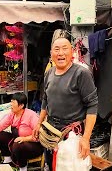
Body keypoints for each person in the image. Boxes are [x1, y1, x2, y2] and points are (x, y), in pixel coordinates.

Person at [32, 37, 98, 170]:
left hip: (72, 135)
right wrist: (38, 123)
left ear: (72, 51)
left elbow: (92, 105)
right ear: (51, 54)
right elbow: (46, 99)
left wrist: (86, 138)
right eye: (56, 49)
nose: (60, 53)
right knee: (51, 166)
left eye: (64, 48)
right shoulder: (49, 73)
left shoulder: (81, 73)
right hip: (50, 133)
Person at [0, 93, 43, 171]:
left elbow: (39, 135)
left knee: (17, 145)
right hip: (18, 141)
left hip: (34, 145)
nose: (10, 105)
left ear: (21, 105)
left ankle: (23, 168)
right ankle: (7, 160)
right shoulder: (12, 114)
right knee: (0, 135)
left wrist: (25, 138)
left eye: (13, 102)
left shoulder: (31, 116)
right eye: (11, 102)